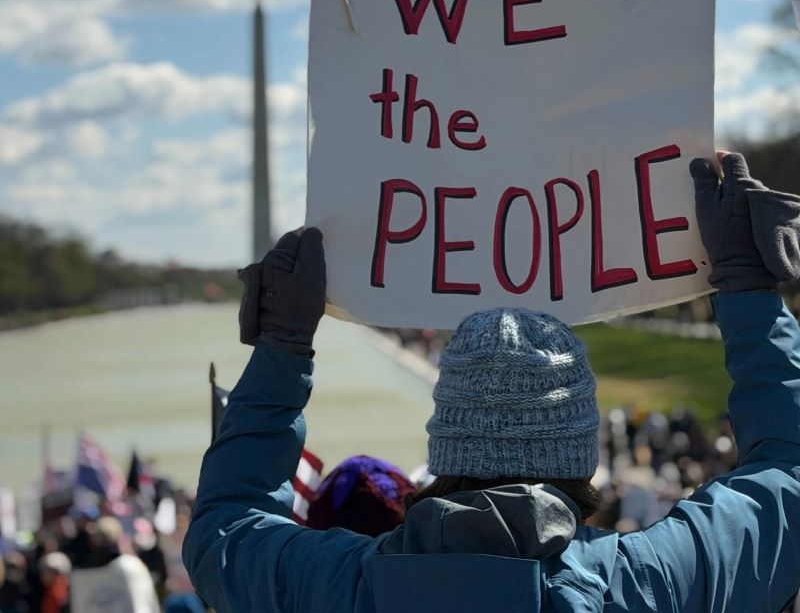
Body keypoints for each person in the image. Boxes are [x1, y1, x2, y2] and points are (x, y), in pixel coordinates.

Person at [184, 153, 800, 612]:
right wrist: (749, 291)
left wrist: (281, 350)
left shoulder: (341, 589)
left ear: (446, 446)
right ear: (578, 455)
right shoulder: (645, 586)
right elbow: (789, 475)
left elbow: (225, 528)